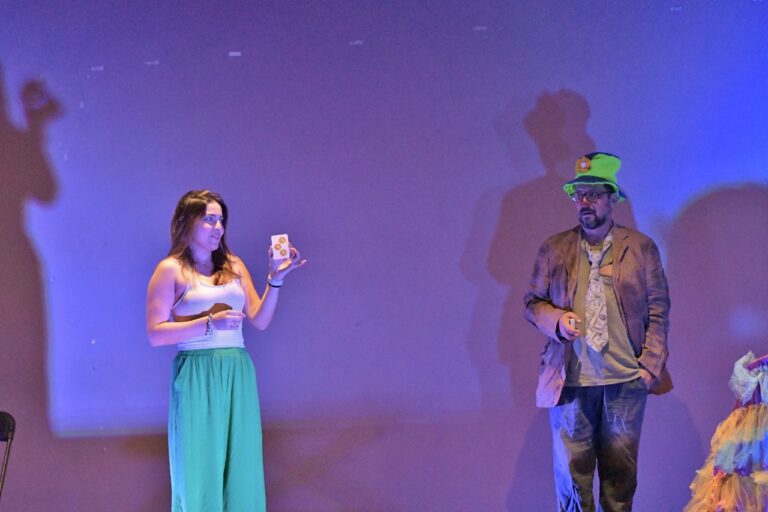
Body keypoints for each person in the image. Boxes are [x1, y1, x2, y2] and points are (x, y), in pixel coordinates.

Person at [523, 152, 672, 511]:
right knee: (572, 484)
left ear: (612, 198)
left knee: (619, 484)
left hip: (625, 382)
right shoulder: (555, 248)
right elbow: (532, 303)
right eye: (578, 195)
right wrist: (557, 320)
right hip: (571, 384)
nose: (584, 202)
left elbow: (658, 308)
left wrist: (649, 367)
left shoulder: (641, 248)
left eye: (593, 194)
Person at [146, 189, 306, 511]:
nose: (217, 227)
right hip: (197, 372)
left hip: (236, 369)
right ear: (188, 222)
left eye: (221, 220)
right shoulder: (171, 269)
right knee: (199, 466)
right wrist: (209, 323)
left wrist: (275, 280)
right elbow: (156, 334)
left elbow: (259, 319)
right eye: (209, 219)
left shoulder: (233, 264)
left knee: (241, 466)